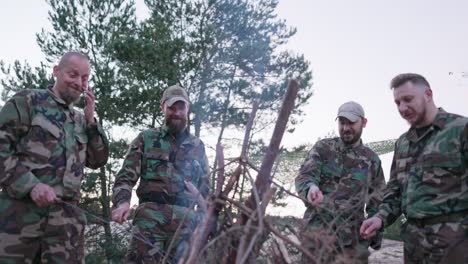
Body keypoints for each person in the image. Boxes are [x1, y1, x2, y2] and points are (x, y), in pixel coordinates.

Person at [0, 51, 109, 263]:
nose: (79, 82)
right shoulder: (29, 101)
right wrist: (30, 185)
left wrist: (90, 120)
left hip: (66, 227)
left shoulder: (80, 120)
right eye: (73, 74)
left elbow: (98, 160)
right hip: (20, 220)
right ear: (57, 72)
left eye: (85, 78)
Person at [360, 73, 468, 263]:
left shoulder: (460, 129)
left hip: (456, 246)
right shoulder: (403, 143)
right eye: (397, 103)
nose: (402, 108)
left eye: (408, 99)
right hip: (414, 246)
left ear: (428, 94)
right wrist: (380, 218)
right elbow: (394, 193)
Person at [111, 85, 210, 263]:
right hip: (149, 223)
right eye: (172, 107)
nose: (177, 113)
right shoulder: (146, 138)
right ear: (163, 107)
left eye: (181, 107)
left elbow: (207, 190)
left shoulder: (198, 146)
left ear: (188, 108)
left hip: (186, 226)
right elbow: (125, 176)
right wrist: (122, 202)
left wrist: (208, 219)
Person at [295, 101, 386, 264]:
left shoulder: (372, 160)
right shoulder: (323, 148)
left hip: (352, 243)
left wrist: (375, 233)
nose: (345, 128)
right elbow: (305, 175)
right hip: (317, 237)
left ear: (364, 123)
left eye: (351, 123)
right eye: (342, 122)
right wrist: (310, 188)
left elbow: (377, 201)